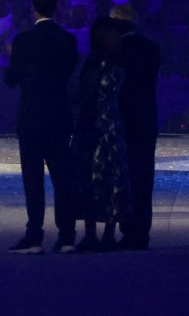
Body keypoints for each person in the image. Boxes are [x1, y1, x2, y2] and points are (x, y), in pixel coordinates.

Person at [5, 0, 78, 254]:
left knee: (33, 179)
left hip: (32, 117)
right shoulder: (67, 40)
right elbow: (69, 74)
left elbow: (11, 80)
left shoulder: (24, 40)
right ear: (55, 7)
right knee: (62, 177)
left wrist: (13, 56)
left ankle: (34, 236)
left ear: (33, 7)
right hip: (59, 115)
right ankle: (67, 236)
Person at [72, 16, 132, 252]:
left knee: (108, 177)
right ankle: (95, 233)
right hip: (99, 125)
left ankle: (105, 233)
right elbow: (84, 95)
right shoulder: (97, 63)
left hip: (107, 125)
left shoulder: (110, 63)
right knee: (95, 177)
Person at [110, 3, 161, 250]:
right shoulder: (152, 49)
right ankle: (142, 231)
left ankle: (127, 228)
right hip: (146, 119)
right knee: (144, 176)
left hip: (122, 119)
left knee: (123, 176)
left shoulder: (116, 50)